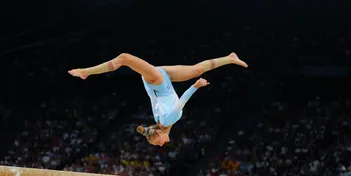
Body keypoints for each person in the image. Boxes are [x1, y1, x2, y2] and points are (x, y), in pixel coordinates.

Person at [68, 52, 247, 146]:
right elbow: (159, 99)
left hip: (158, 80)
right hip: (160, 79)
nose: (160, 145)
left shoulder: (166, 120)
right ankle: (229, 58)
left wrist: (195, 87)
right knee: (196, 70)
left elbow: (180, 101)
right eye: (157, 144)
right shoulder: (162, 120)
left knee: (124, 58)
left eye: (157, 143)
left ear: (159, 133)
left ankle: (86, 72)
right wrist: (146, 79)